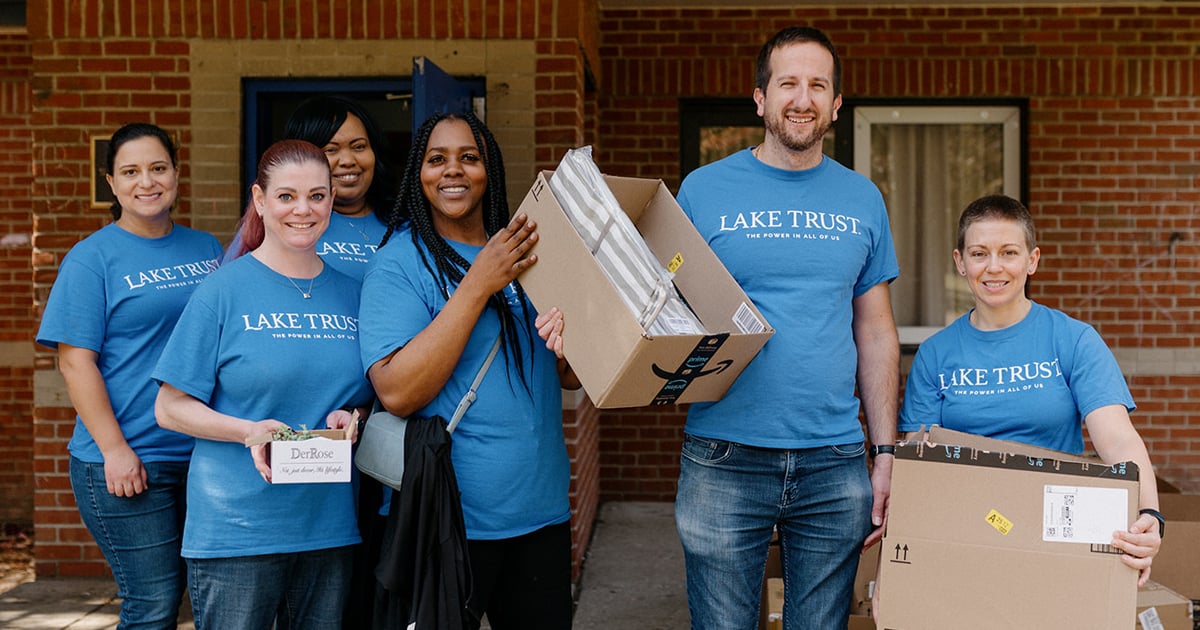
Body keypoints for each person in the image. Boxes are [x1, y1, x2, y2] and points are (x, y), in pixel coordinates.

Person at [672, 26, 901, 630]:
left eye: (817, 85)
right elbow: (662, 314)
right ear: (760, 98)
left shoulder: (862, 198)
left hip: (834, 458)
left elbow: (875, 333)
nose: (802, 98)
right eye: (788, 83)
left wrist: (884, 454)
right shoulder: (702, 191)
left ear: (836, 104)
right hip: (724, 454)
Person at [359, 111, 581, 629]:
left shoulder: (527, 252)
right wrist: (478, 283)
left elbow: (569, 378)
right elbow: (396, 391)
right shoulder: (400, 262)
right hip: (446, 520)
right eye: (437, 159)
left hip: (540, 511)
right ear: (419, 173)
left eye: (469, 158)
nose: (452, 171)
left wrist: (571, 351)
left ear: (490, 170)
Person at [151, 139, 373, 630]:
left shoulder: (354, 294)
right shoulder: (223, 290)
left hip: (327, 527)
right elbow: (169, 407)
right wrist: (250, 431)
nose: (303, 209)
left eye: (317, 196)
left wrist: (353, 416)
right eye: (286, 196)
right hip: (237, 530)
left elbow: (367, 393)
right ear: (259, 200)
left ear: (332, 201)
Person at [899, 193, 1162, 583]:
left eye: (1008, 252)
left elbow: (1119, 441)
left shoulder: (1073, 340)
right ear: (960, 262)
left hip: (1055, 537)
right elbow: (916, 465)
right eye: (978, 253)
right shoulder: (935, 355)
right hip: (964, 539)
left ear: (1032, 260)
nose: (993, 267)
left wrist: (1149, 515)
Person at [35, 122, 222, 629]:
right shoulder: (91, 258)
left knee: (205, 599)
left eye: (158, 168)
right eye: (131, 171)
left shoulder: (207, 249)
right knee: (153, 603)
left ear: (177, 175)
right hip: (128, 457)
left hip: (202, 454)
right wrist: (116, 450)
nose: (147, 181)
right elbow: (75, 361)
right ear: (112, 184)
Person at [284, 95, 395, 280]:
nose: (348, 161)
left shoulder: (406, 226)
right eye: (330, 150)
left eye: (359, 147)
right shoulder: (282, 224)